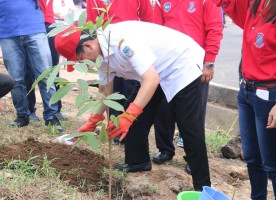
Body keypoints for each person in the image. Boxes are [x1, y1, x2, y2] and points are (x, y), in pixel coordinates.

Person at [55, 20, 211, 191]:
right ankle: (138, 162)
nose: (81, 63)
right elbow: (105, 90)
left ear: (88, 45)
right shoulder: (101, 53)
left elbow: (151, 80)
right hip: (154, 70)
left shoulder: (121, 42)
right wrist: (93, 121)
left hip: (181, 63)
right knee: (134, 114)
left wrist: (129, 115)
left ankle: (203, 188)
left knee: (189, 127)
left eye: (80, 58)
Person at [214, 0, 276, 199]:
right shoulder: (254, 4)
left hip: (270, 97)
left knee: (272, 163)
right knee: (252, 157)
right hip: (247, 92)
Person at [153, 0, 223, 170]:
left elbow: (214, 29)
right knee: (163, 109)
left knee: (192, 115)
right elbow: (156, 29)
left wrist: (209, 63)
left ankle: (193, 158)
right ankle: (165, 149)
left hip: (194, 65)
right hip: (167, 63)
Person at [80, 0, 162, 144]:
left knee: (131, 94)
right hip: (108, 54)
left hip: (132, 52)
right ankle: (115, 132)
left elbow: (149, 20)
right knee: (112, 96)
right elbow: (91, 27)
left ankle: (126, 132)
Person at [0, 0, 64, 131]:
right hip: (7, 33)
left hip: (34, 29)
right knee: (16, 78)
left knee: (45, 75)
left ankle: (51, 116)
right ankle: (22, 115)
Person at [26, 0, 66, 122]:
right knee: (29, 69)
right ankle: (29, 109)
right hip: (31, 23)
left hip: (50, 24)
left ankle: (55, 109)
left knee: (53, 69)